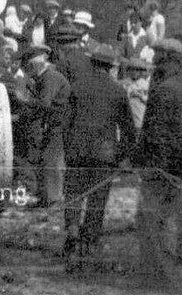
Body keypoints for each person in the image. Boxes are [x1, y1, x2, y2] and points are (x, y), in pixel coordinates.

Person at [62, 44, 135, 268]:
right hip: (104, 154)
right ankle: (89, 243)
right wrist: (122, 155)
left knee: (74, 193)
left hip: (77, 151)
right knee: (97, 200)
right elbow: (129, 130)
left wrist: (68, 149)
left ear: (92, 63)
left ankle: (73, 229)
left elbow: (66, 123)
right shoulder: (118, 91)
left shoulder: (77, 87)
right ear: (111, 67)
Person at [136, 38, 182, 286]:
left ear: (166, 58)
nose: (152, 59)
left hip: (165, 168)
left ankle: (157, 275)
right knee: (174, 220)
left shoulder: (165, 88)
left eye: (156, 54)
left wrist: (152, 167)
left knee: (152, 221)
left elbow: (157, 134)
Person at [21, 44, 70, 208]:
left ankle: (53, 199)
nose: (28, 70)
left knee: (51, 160)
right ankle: (47, 197)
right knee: (46, 160)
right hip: (54, 122)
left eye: (29, 66)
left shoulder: (50, 77)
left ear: (36, 64)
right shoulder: (47, 76)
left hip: (58, 123)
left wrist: (24, 101)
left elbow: (44, 103)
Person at [120, 56, 152, 133]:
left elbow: (150, 102)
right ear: (129, 71)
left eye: (137, 70)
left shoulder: (145, 85)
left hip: (139, 119)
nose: (134, 72)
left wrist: (140, 96)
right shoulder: (123, 83)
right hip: (126, 119)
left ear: (140, 71)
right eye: (132, 69)